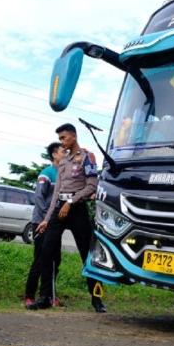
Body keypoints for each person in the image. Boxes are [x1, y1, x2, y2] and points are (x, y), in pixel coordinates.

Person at [29, 123, 106, 313]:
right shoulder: (63, 161)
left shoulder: (87, 157)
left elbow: (91, 186)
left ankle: (97, 299)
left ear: (73, 136)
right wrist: (47, 218)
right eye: (60, 139)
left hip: (76, 208)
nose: (62, 142)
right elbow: (56, 191)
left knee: (87, 254)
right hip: (58, 209)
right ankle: (45, 297)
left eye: (64, 138)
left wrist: (70, 202)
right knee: (46, 252)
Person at [24, 142, 65, 308]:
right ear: (54, 154)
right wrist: (43, 220)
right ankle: (29, 295)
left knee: (55, 260)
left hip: (55, 224)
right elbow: (39, 198)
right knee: (40, 260)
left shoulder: (65, 174)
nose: (67, 154)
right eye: (63, 151)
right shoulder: (47, 173)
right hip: (41, 223)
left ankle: (49, 295)